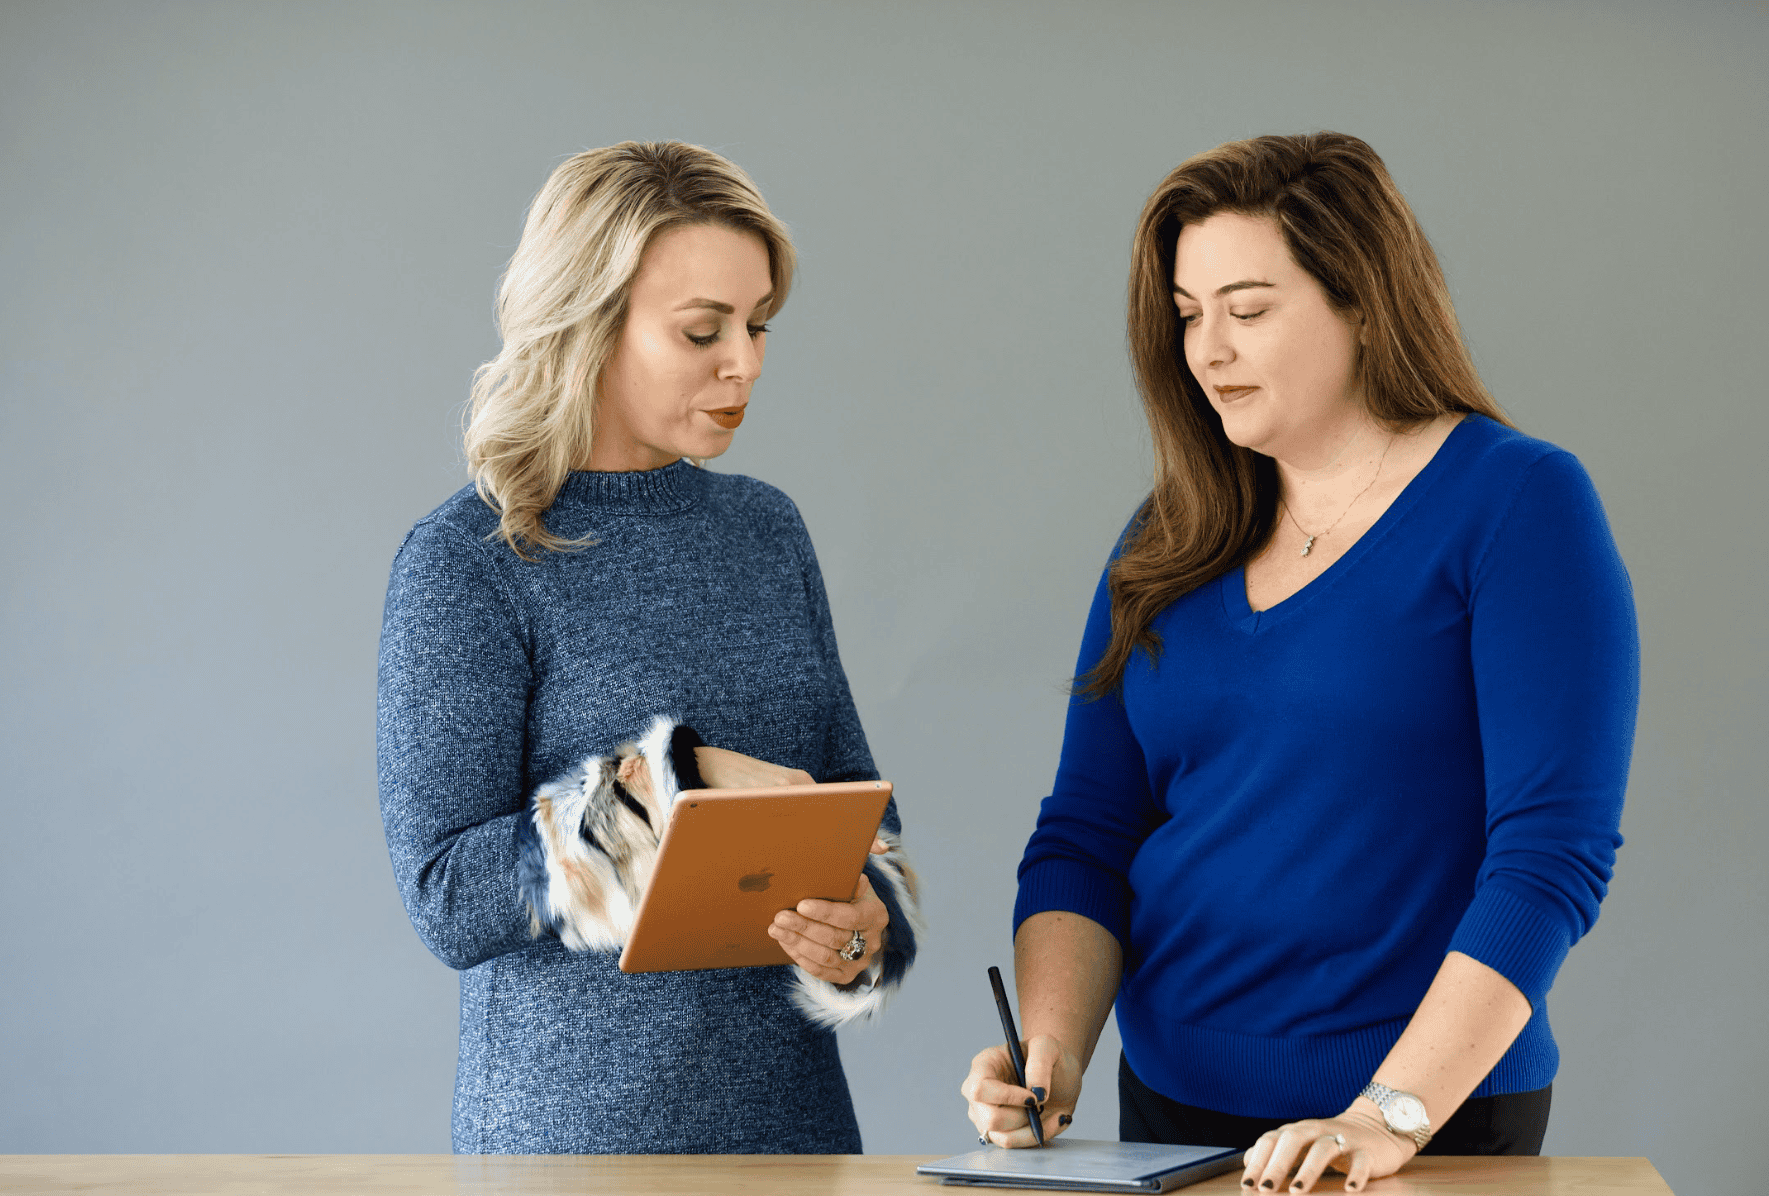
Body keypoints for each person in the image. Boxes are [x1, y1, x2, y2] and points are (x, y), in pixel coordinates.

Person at [960, 132, 1638, 1194]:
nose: (1208, 349)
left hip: (1420, 1117)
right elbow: (1088, 832)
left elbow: (1553, 853)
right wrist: (1053, 1052)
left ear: (1361, 301)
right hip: (1170, 1116)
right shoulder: (1167, 534)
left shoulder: (1517, 503)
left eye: (1248, 307)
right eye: (1188, 315)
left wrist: (1388, 1116)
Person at [377, 141, 919, 1155]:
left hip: (796, 1138)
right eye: (703, 330)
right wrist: (674, 781)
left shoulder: (766, 531)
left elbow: (858, 804)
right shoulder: (469, 562)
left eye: (759, 326)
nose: (746, 362)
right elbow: (446, 895)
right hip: (568, 1149)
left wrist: (863, 922)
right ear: (587, 324)